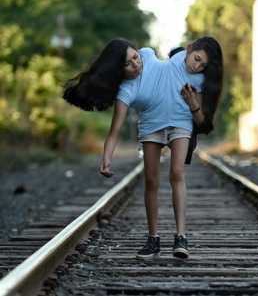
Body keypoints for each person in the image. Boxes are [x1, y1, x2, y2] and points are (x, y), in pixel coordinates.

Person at [63, 37, 223, 260]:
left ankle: (181, 236)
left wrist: (194, 104)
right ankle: (153, 238)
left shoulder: (154, 55)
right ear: (118, 70)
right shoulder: (126, 90)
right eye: (129, 64)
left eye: (135, 57)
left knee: (177, 173)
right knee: (151, 179)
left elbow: (202, 118)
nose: (136, 64)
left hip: (180, 122)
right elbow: (115, 130)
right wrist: (106, 157)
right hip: (151, 128)